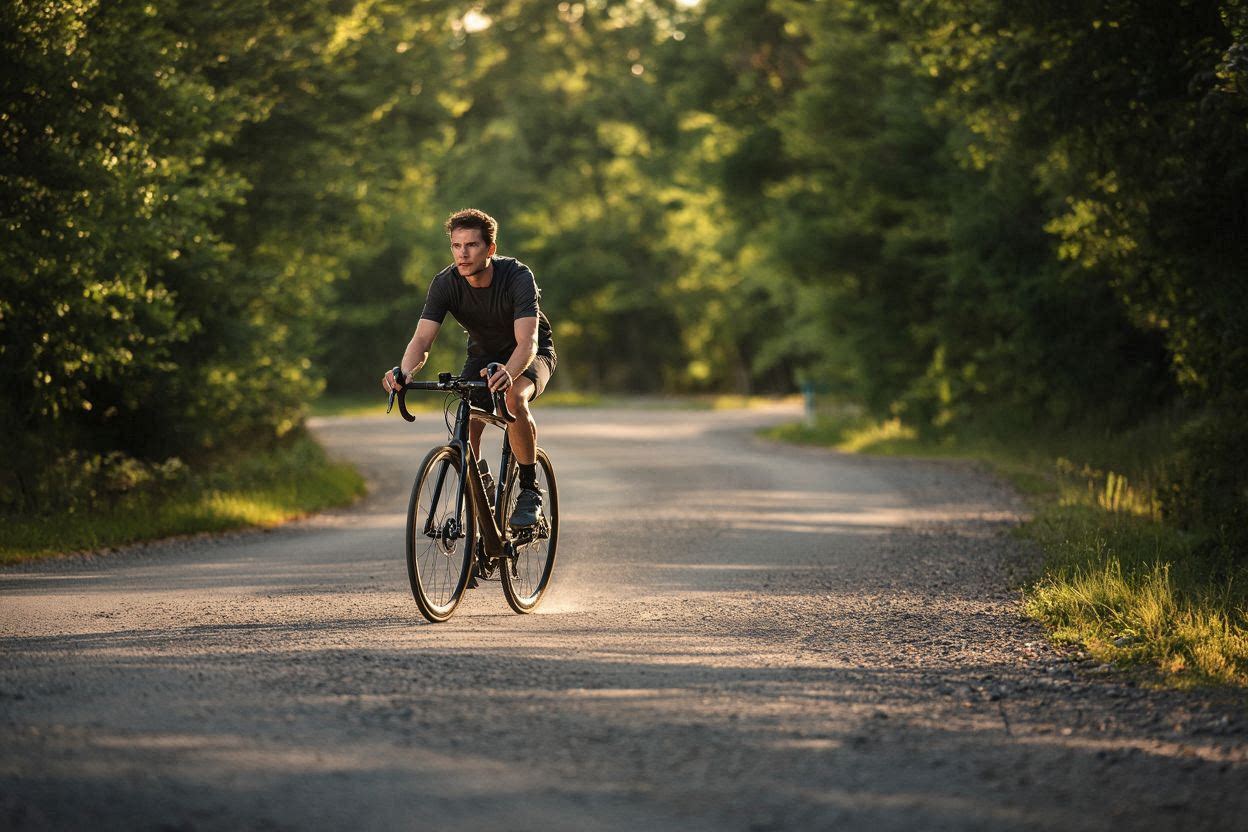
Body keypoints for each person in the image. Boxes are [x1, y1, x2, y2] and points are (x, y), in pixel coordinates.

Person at [381, 208, 556, 528]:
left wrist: (509, 373)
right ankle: (481, 488)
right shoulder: (445, 283)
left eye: (472, 245)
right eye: (456, 245)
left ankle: (530, 490)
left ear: (490, 249)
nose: (463, 254)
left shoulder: (517, 276)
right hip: (483, 354)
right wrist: (404, 373)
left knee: (514, 398)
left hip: (530, 353)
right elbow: (422, 340)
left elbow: (528, 341)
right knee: (467, 414)